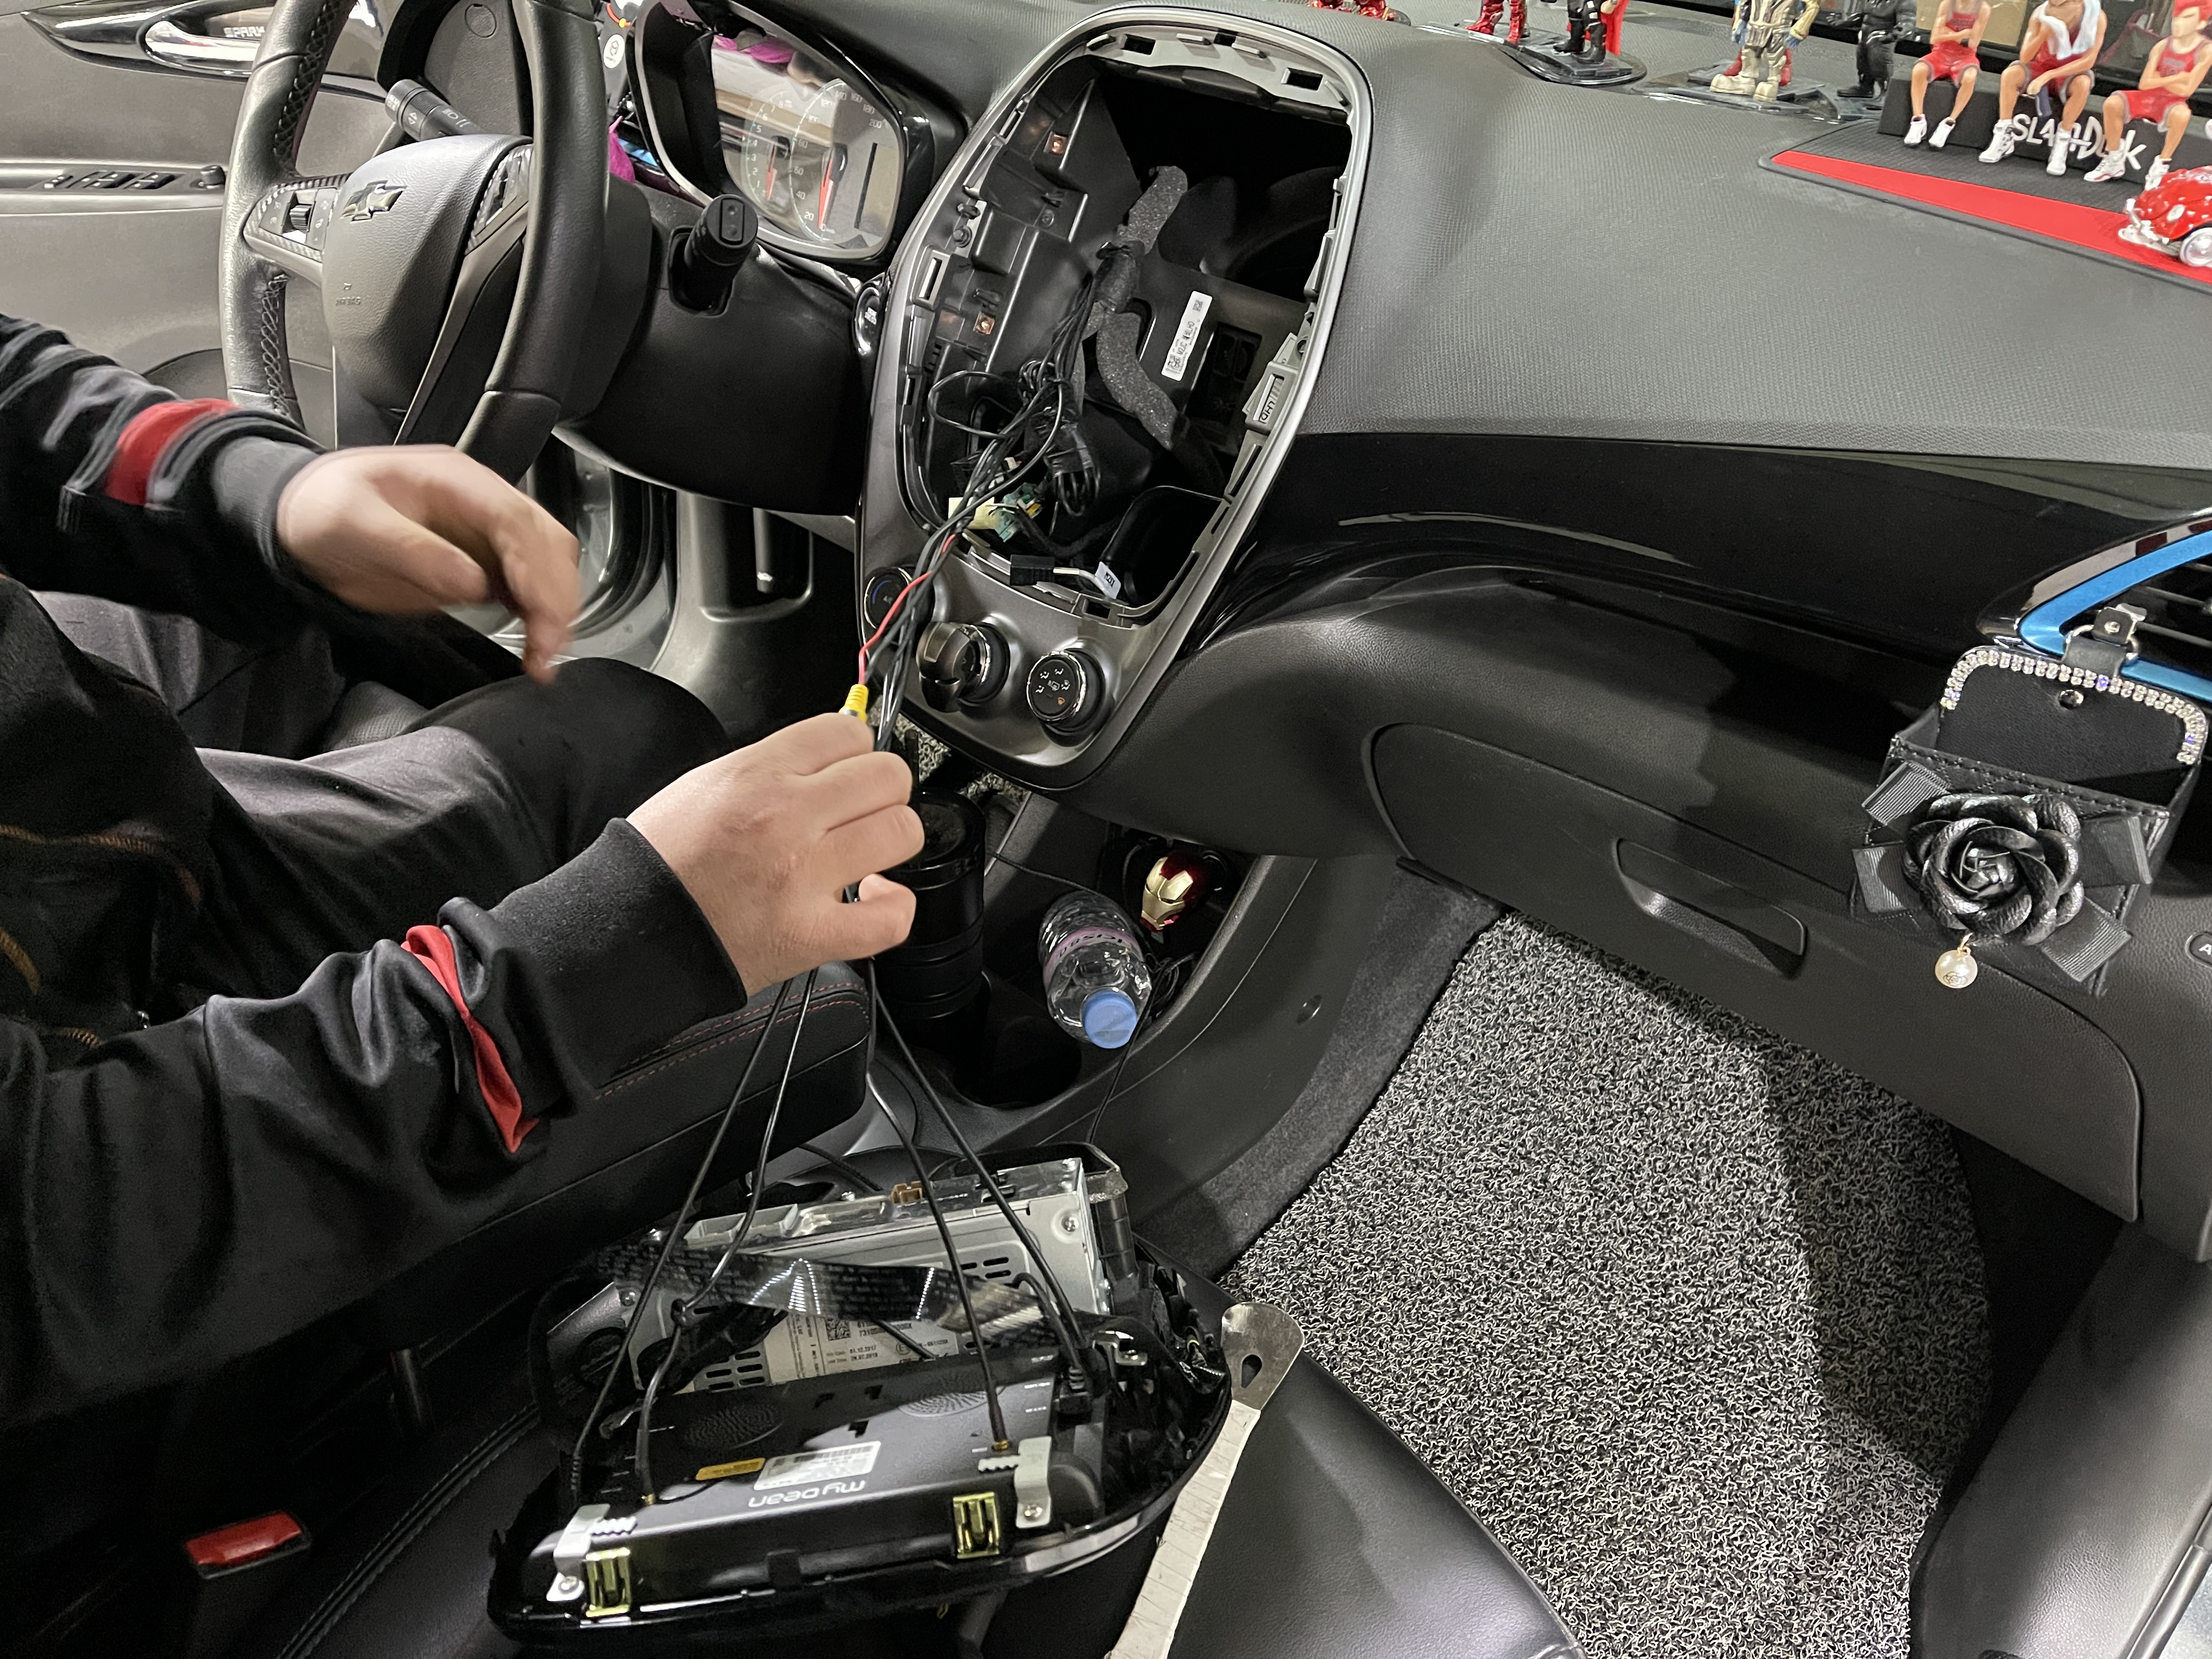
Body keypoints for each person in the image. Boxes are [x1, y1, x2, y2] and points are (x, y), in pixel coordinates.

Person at [0, 313, 924, 1429]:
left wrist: (259, 493)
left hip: (77, 807)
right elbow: (59, 1226)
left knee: (369, 628)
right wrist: (618, 946)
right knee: (632, 752)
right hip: (87, 1107)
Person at [2084, 0, 2212, 185]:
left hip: (2172, 102)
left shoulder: (2205, 50)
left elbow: (2187, 90)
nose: (2178, 23)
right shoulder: (2162, 46)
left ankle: (2161, 166)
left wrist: (2161, 80)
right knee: (2113, 102)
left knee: (2182, 114)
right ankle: (2114, 159)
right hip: (2149, 97)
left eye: (2186, 18)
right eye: (2176, 18)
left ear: (2200, 23)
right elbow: (2145, 84)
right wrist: (2178, 78)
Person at [1980, 0, 2109, 174]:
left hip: (2069, 72)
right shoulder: (2040, 13)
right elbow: (2025, 57)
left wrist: (2049, 76)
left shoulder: (2096, 16)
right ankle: (2003, 134)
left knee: (2083, 83)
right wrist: (2043, 34)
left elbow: (2088, 61)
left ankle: (2062, 142)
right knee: (2011, 74)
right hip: (2041, 66)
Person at [1905, 0, 1990, 147]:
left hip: (1965, 57)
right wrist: (1961, 35)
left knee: (1970, 77)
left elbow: (1972, 42)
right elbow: (1935, 37)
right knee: (1919, 69)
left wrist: (1947, 33)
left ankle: (1949, 122)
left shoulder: (1983, 8)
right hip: (1941, 53)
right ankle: (1918, 119)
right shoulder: (1948, 4)